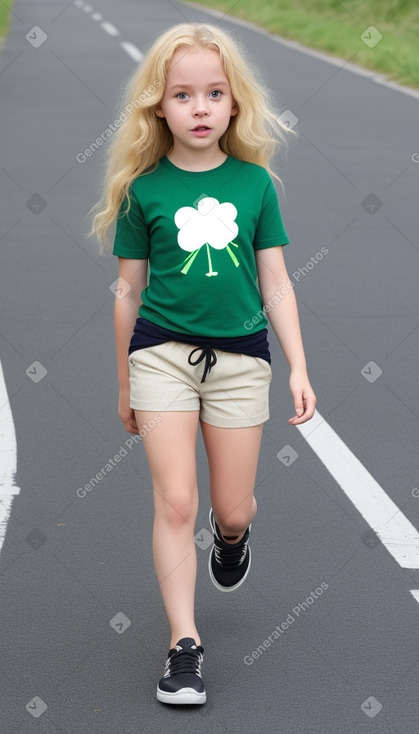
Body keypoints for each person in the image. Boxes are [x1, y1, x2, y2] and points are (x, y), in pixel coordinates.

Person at [88, 21, 316, 706]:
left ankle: (231, 538)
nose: (199, 107)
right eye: (183, 94)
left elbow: (275, 281)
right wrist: (126, 379)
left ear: (234, 103)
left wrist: (299, 368)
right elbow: (128, 291)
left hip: (241, 359)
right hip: (161, 354)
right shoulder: (143, 189)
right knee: (175, 500)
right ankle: (183, 645)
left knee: (230, 506)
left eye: (213, 93)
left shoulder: (254, 185)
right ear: (159, 104)